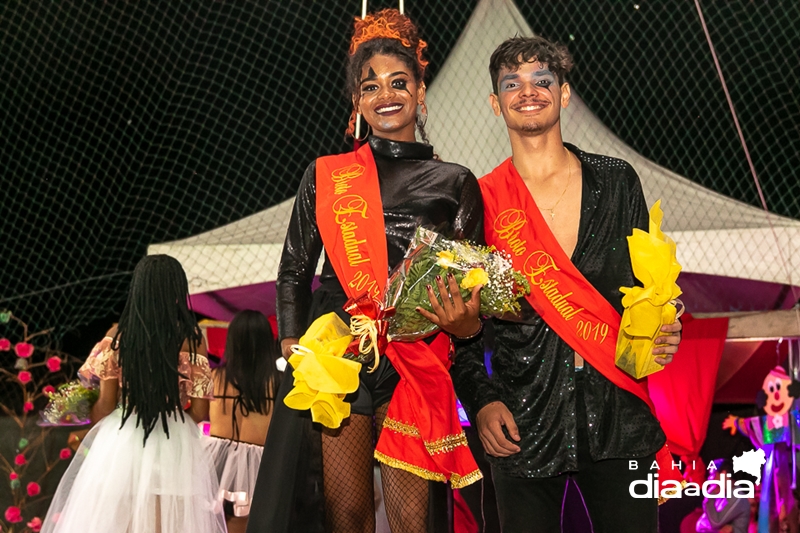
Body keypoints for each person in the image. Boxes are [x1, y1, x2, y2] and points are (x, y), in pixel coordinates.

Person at [246, 9, 484, 533]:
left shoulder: (456, 181)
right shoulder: (327, 174)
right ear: (356, 102)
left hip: (415, 354)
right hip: (343, 349)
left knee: (409, 521)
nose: (386, 95)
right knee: (347, 514)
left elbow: (472, 279)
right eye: (370, 86)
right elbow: (293, 270)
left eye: (399, 82)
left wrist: (466, 321)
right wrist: (292, 344)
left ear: (421, 91)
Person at [450, 36, 683, 533]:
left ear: (565, 94)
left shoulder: (617, 181)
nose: (528, 91)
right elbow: (460, 325)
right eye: (512, 83)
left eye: (542, 80)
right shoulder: (481, 200)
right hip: (519, 419)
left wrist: (668, 326)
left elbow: (648, 290)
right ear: (495, 102)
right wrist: (483, 400)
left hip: (618, 413)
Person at [42, 254, 225, 533]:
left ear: (137, 288)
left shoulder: (117, 336)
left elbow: (104, 405)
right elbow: (200, 412)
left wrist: (79, 411)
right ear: (177, 290)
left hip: (121, 438)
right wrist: (175, 417)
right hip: (173, 438)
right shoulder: (193, 339)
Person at [204, 309, 281, 533]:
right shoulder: (278, 382)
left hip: (216, 460)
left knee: (219, 524)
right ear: (267, 341)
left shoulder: (215, 377)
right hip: (263, 466)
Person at [695, 459, 750, 533]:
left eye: (712, 474)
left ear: (723, 474)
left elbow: (715, 523)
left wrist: (709, 496)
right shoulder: (722, 496)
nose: (710, 479)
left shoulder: (738, 497)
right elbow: (700, 525)